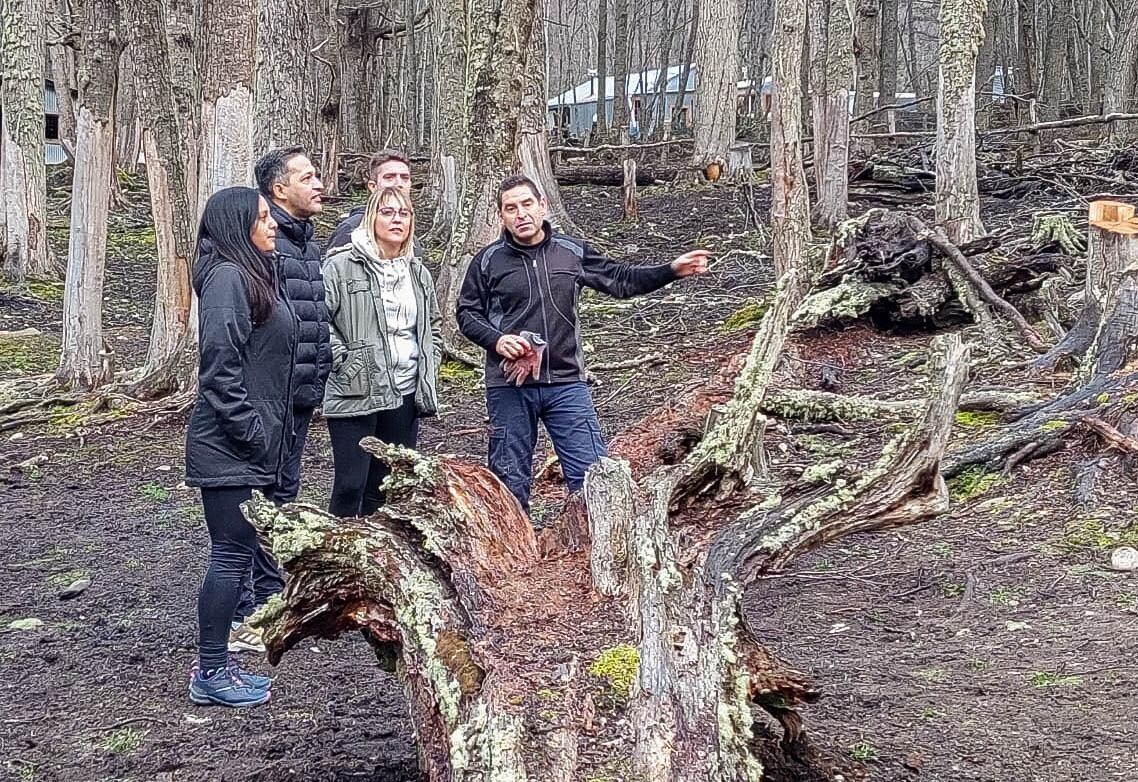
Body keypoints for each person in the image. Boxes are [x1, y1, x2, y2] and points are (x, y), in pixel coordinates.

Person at [457, 174, 710, 512]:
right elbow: (467, 314)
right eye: (511, 208)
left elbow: (620, 280)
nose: (521, 214)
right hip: (509, 386)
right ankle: (517, 557)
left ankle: (596, 550)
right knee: (509, 481)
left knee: (593, 474)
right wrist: (497, 340)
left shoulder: (571, 252)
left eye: (527, 204)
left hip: (566, 382)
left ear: (543, 205)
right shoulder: (488, 261)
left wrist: (670, 270)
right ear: (501, 216)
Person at [185, 186, 296, 707]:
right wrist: (251, 430)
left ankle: (217, 668)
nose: (271, 223)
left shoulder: (247, 273)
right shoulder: (229, 278)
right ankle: (211, 671)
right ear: (236, 227)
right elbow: (219, 368)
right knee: (230, 554)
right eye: (261, 217)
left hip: (249, 442)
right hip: (228, 444)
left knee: (239, 551)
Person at [226, 147, 330, 654]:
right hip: (268, 398)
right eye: (307, 177)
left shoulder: (309, 246)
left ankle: (273, 596)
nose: (319, 183)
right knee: (255, 501)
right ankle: (245, 608)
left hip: (302, 395)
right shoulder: (263, 246)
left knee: (283, 497)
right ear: (277, 189)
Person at [322, 186, 442, 517]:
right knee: (350, 485)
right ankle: (341, 559)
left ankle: (378, 559)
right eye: (387, 212)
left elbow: (432, 326)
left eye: (404, 213)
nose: (396, 220)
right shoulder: (341, 266)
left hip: (404, 391)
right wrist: (345, 361)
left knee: (388, 486)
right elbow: (320, 321)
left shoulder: (417, 273)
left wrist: (429, 365)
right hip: (355, 390)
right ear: (371, 217)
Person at [325, 149, 415, 254]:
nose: (399, 183)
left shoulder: (408, 234)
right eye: (389, 177)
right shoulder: (351, 230)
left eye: (405, 178)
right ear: (373, 186)